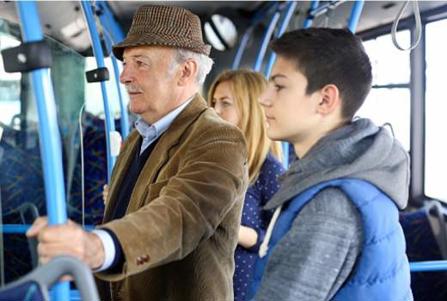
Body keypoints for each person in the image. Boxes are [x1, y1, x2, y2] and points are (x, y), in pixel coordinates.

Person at [26, 5, 248, 301]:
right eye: (125, 64)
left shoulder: (218, 139)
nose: (124, 77)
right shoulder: (136, 138)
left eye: (140, 63)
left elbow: (179, 216)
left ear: (186, 71)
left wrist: (94, 247)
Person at [249, 28, 413, 301]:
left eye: (279, 86)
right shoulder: (352, 172)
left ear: (325, 99)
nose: (263, 98)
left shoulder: (329, 206)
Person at [208, 69, 285, 301]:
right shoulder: (209, 161)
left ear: (250, 110)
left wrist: (235, 231)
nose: (214, 111)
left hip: (240, 289)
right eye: (213, 102)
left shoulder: (270, 171)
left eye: (225, 103)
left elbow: (282, 241)